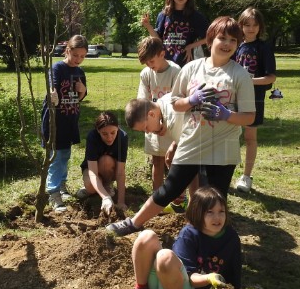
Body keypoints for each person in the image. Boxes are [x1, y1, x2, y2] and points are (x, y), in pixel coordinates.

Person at [107, 17, 255, 236]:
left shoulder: (239, 75)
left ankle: (209, 240)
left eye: (234, 40)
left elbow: (250, 117)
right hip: (192, 141)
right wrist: (192, 100)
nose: (227, 44)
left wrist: (227, 115)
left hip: (223, 145)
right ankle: (134, 223)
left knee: (215, 198)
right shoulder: (192, 69)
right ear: (211, 39)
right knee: (170, 188)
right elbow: (175, 103)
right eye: (222, 38)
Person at [129, 187, 256, 289]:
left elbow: (235, 265)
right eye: (210, 212)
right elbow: (190, 277)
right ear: (197, 212)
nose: (217, 218)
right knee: (147, 237)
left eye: (221, 211)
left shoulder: (231, 237)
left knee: (165, 256)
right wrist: (209, 277)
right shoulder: (189, 234)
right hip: (163, 286)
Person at [41, 34, 88, 213]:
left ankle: (61, 186)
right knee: (56, 157)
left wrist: (82, 91)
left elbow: (81, 97)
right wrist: (53, 92)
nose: (78, 59)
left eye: (83, 56)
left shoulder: (80, 72)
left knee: (65, 155)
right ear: (67, 50)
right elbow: (52, 86)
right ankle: (53, 193)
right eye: (76, 55)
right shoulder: (57, 68)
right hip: (55, 122)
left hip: (70, 120)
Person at [234, 7, 277, 193]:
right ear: (240, 25)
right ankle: (224, 171)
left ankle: (246, 176)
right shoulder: (235, 46)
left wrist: (249, 81)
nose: (251, 28)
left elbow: (271, 78)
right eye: (247, 24)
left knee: (250, 137)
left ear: (260, 27)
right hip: (233, 98)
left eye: (255, 25)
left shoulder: (264, 48)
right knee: (229, 135)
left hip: (254, 99)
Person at [135, 36, 180, 194]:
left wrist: (164, 124)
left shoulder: (176, 72)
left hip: (173, 125)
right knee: (157, 160)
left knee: (175, 161)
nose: (149, 65)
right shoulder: (146, 74)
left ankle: (177, 198)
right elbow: (143, 101)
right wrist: (152, 126)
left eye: (151, 61)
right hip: (152, 124)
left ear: (162, 54)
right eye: (146, 63)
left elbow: (179, 103)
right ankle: (157, 197)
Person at [140, 0, 210, 67]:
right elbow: (158, 40)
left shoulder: (195, 16)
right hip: (166, 65)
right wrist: (148, 26)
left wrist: (191, 46)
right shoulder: (163, 15)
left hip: (186, 66)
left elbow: (210, 37)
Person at [75, 111, 129, 214]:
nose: (109, 137)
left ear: (118, 127)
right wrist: (106, 197)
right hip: (93, 170)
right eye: (104, 134)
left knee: (106, 160)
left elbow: (121, 172)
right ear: (98, 131)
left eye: (113, 132)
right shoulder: (92, 137)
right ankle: (97, 189)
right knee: (90, 187)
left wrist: (121, 202)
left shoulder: (122, 137)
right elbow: (92, 172)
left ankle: (107, 185)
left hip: (110, 169)